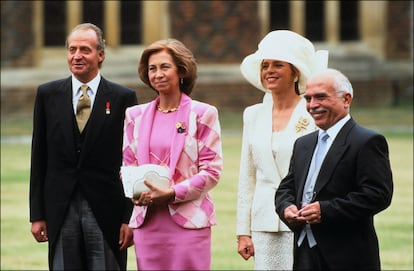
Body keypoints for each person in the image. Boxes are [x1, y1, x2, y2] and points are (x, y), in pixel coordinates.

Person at [29, 23, 138, 270]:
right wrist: (37, 214)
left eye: (85, 50)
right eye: (72, 49)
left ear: (100, 55)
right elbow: (39, 157)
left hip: (106, 209)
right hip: (60, 208)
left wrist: (128, 217)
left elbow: (131, 161)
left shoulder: (123, 98)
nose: (77, 55)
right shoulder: (47, 94)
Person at [275, 68, 393, 270]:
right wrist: (286, 207)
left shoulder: (367, 141)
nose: (312, 105)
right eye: (308, 98)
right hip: (304, 254)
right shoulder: (303, 144)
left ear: (346, 99)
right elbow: (286, 188)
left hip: (348, 256)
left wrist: (326, 210)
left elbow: (378, 195)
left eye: (321, 97)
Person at [122, 38, 223, 270]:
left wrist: (171, 193)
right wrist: (134, 191)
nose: (158, 73)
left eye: (165, 67)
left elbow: (212, 171)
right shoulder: (133, 115)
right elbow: (128, 167)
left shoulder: (203, 114)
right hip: (147, 222)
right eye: (152, 68)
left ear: (181, 71)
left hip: (189, 221)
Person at [236, 30, 328, 270]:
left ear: (295, 72)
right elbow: (247, 176)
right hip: (263, 222)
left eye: (278, 64)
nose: (269, 71)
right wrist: (243, 232)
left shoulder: (313, 113)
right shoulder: (253, 115)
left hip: (302, 217)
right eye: (265, 65)